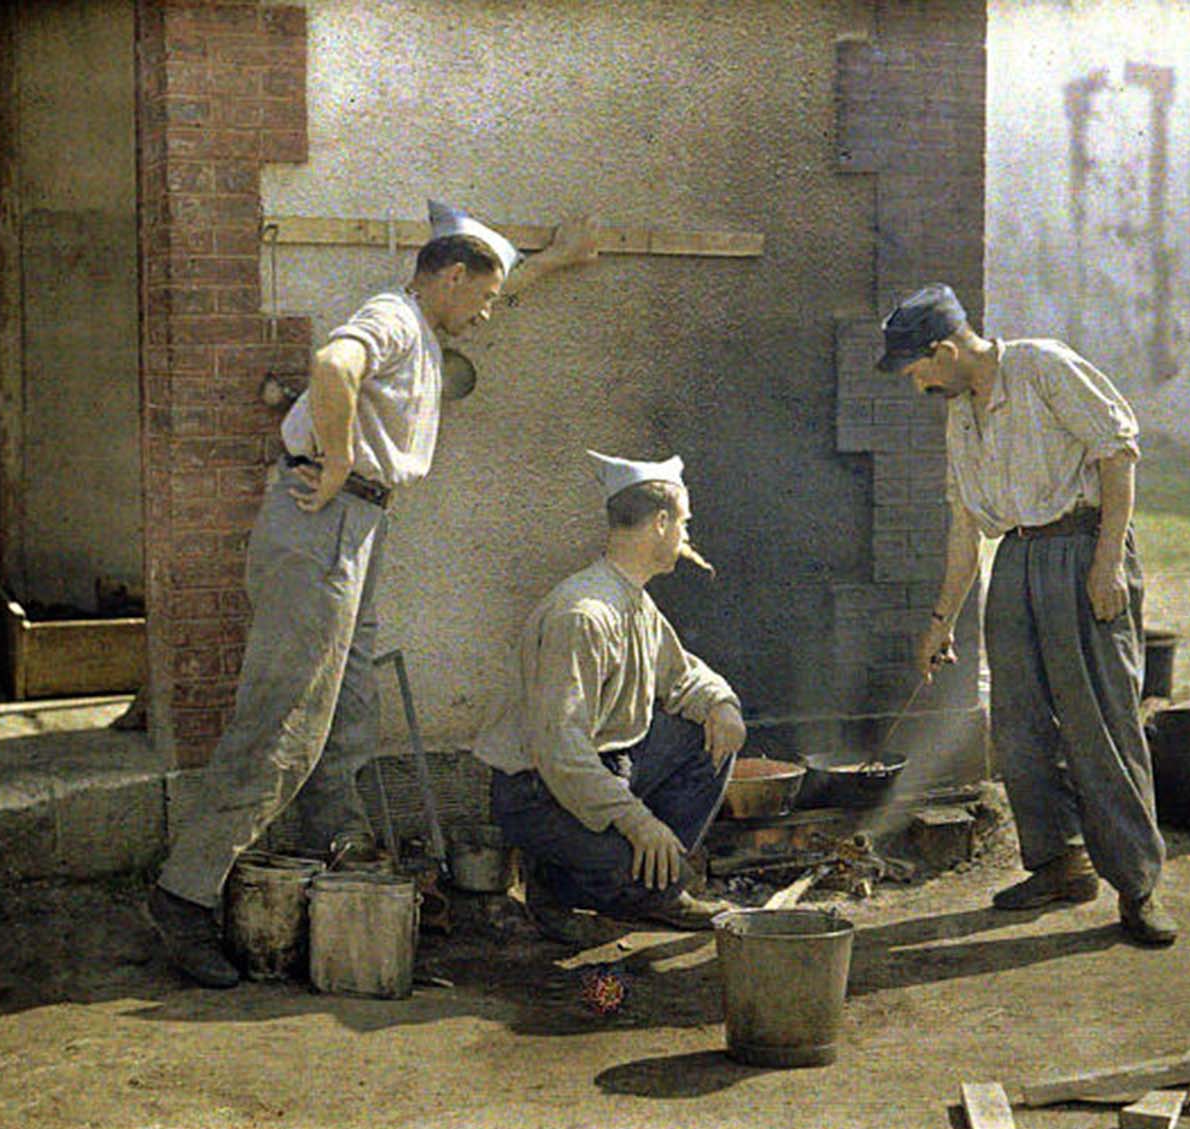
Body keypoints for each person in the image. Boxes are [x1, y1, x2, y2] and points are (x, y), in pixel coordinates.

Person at [147, 201, 599, 987]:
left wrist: (560, 259)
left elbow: (502, 281)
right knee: (286, 716)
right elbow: (332, 366)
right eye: (484, 296)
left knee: (346, 715)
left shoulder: (427, 323)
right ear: (451, 277)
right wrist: (339, 456)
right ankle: (183, 895)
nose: (491, 312)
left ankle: (337, 874)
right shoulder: (393, 316)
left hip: (356, 527)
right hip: (326, 518)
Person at [876, 283, 1177, 947]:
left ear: (946, 349)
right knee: (1018, 725)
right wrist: (941, 619)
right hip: (1016, 561)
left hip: (1081, 548)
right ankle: (1060, 863)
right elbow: (964, 526)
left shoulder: (1042, 366)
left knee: (1101, 720)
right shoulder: (960, 413)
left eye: (920, 368)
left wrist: (1105, 565)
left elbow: (1118, 455)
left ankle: (1139, 884)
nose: (918, 383)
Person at [473, 450, 746, 943]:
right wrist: (639, 823)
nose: (686, 536)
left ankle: (644, 884)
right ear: (661, 522)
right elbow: (560, 753)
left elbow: (682, 676)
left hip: (603, 773)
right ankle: (562, 884)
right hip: (538, 795)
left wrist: (722, 704)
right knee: (633, 867)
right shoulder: (583, 614)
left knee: (707, 736)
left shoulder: (633, 600)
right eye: (683, 523)